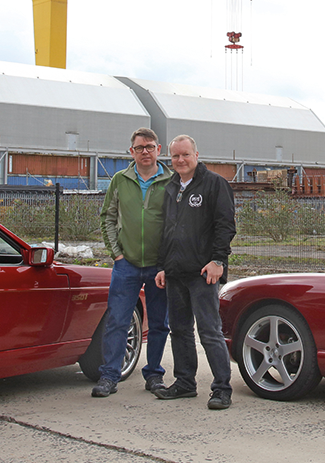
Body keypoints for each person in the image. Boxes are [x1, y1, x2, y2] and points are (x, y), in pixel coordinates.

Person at [91, 127, 175, 397]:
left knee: (160, 322)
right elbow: (107, 217)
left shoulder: (171, 181)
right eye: (140, 148)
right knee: (117, 319)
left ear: (158, 150)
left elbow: (178, 223)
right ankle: (110, 375)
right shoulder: (120, 180)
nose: (145, 152)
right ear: (132, 152)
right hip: (126, 264)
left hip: (159, 266)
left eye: (150, 147)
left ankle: (153, 374)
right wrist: (117, 253)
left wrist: (167, 261)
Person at [153, 134, 236, 409]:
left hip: (203, 273)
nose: (180, 160)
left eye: (185, 155)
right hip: (176, 273)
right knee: (179, 331)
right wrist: (163, 266)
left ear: (196, 155)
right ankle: (185, 383)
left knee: (209, 331)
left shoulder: (214, 184)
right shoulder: (170, 187)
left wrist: (218, 261)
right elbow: (167, 231)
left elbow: (225, 226)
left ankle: (222, 388)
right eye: (175, 156)